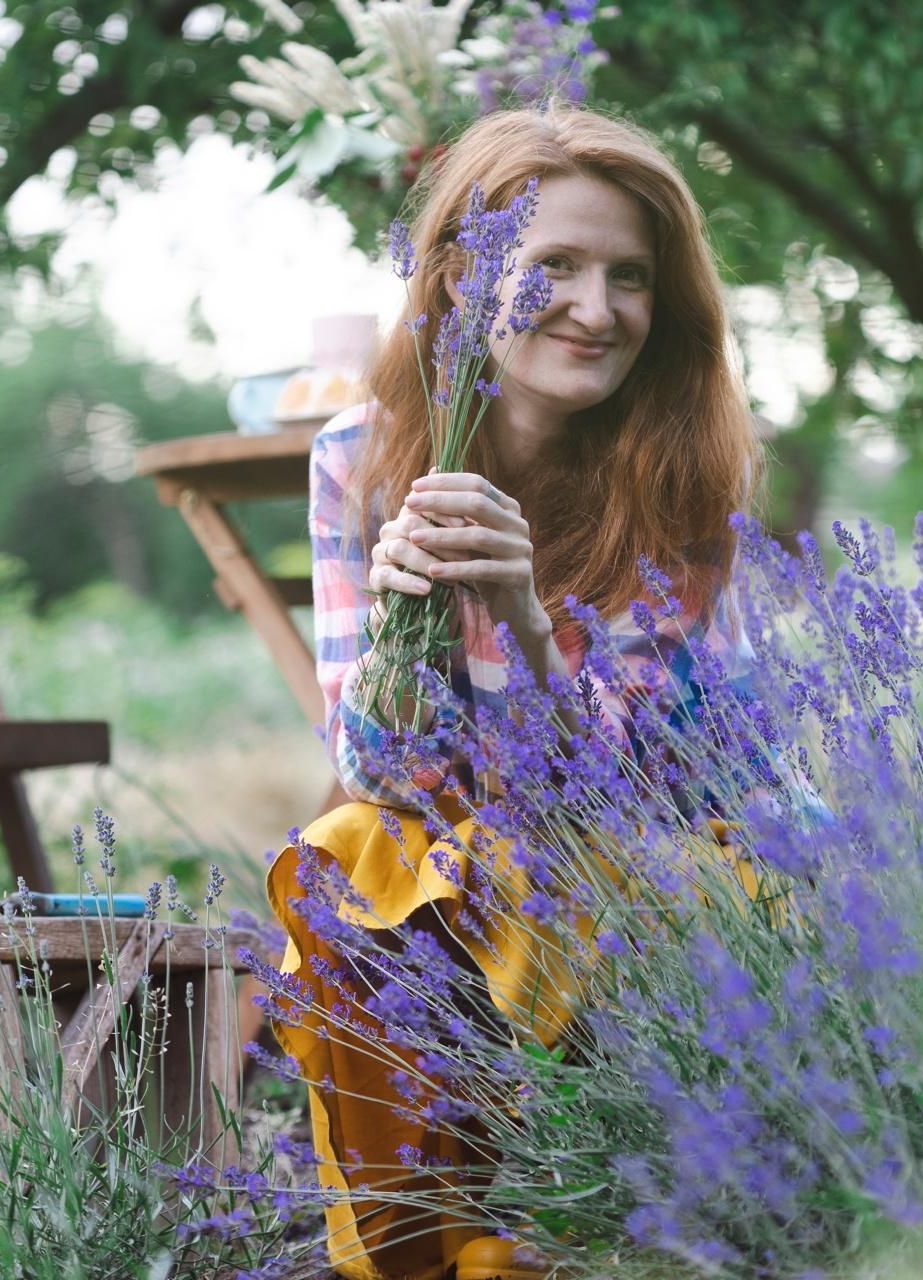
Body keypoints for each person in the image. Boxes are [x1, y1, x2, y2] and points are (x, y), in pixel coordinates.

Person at [265, 104, 770, 1280]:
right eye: (553, 266)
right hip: (465, 845)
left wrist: (530, 627)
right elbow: (374, 772)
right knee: (350, 853)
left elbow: (643, 785)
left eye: (630, 276)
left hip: (658, 856)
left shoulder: (687, 480)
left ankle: (597, 1224)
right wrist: (407, 626)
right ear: (459, 276)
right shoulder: (363, 455)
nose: (598, 309)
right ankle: (423, 1244)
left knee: (544, 866)